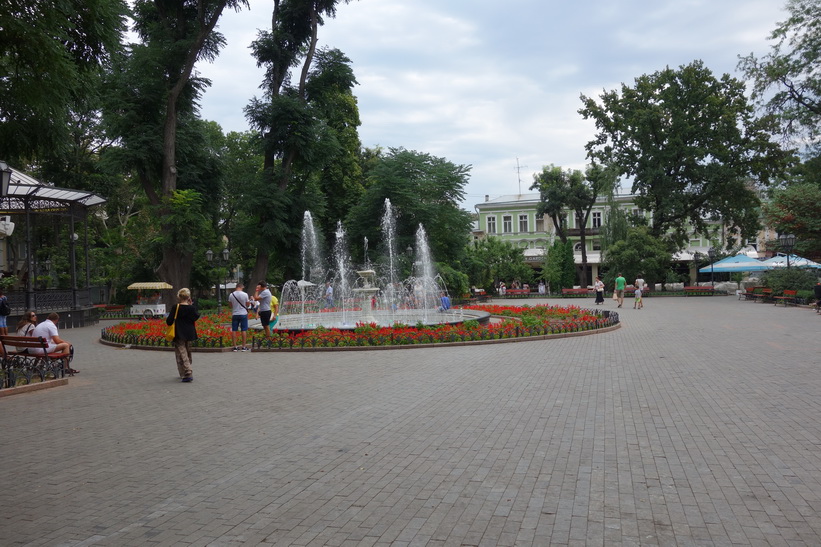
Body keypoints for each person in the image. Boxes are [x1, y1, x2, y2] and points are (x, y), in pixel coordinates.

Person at [166, 288, 199, 382]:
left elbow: (169, 321)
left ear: (179, 297)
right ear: (188, 297)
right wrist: (191, 305)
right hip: (189, 332)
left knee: (181, 352)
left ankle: (188, 371)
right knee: (187, 351)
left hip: (179, 332)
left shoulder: (175, 307)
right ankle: (184, 371)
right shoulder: (191, 308)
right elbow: (196, 317)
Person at [229, 283, 251, 351]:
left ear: (236, 287)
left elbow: (230, 305)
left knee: (234, 330)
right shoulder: (245, 294)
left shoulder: (231, 294)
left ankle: (235, 347)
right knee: (243, 330)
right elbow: (247, 304)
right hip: (243, 314)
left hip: (235, 314)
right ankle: (243, 347)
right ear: (241, 287)